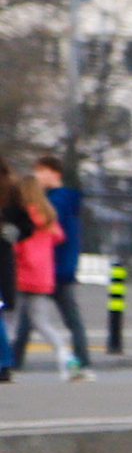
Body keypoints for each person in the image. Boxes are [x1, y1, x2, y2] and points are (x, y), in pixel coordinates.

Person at [14, 155, 91, 376]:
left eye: (41, 171)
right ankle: (80, 362)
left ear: (54, 173)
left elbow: (46, 236)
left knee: (27, 321)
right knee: (34, 322)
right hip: (52, 270)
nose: (38, 176)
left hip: (47, 269)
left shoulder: (53, 202)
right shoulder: (58, 201)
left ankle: (12, 363)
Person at [0, 155, 30, 383]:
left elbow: (26, 225)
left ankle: (4, 362)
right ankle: (4, 362)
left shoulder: (11, 190)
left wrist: (13, 232)